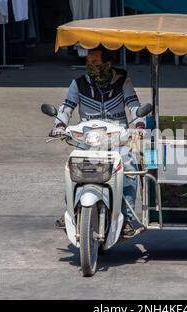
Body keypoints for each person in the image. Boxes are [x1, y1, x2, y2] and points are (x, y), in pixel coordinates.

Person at [49, 47, 145, 236]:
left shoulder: (122, 81)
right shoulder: (78, 84)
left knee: (131, 167)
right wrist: (59, 125)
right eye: (89, 63)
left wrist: (139, 124)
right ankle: (71, 209)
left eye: (96, 62)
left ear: (108, 63)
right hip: (87, 139)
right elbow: (66, 107)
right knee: (73, 167)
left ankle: (125, 218)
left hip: (118, 139)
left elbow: (134, 105)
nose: (91, 67)